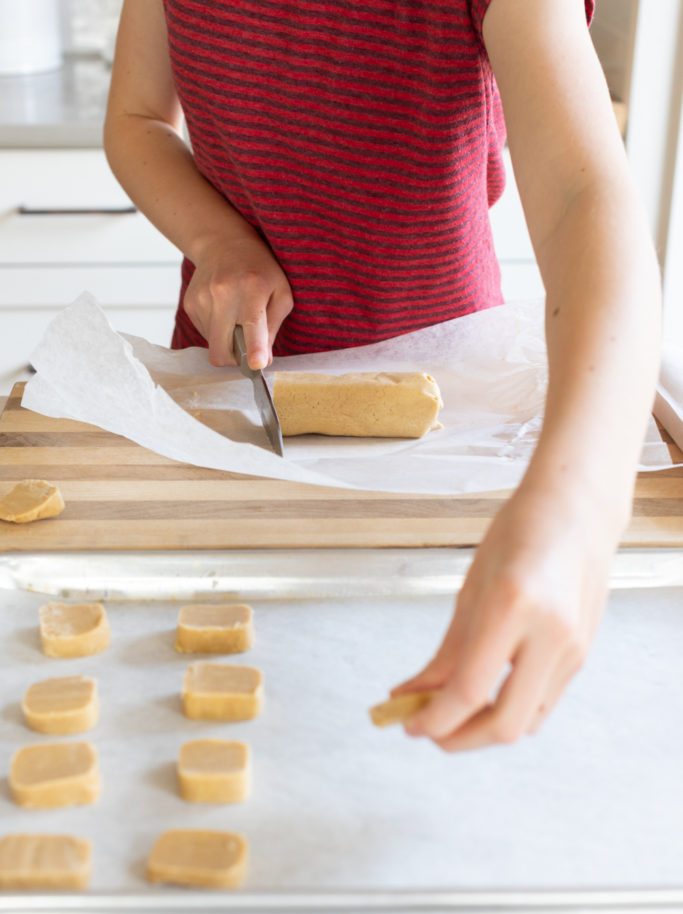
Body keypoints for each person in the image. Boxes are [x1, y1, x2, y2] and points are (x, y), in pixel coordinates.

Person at [104, 0, 661, 753]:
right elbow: (139, 118)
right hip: (231, 383)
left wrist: (580, 512)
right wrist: (218, 240)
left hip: (448, 413)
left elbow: (580, 197)